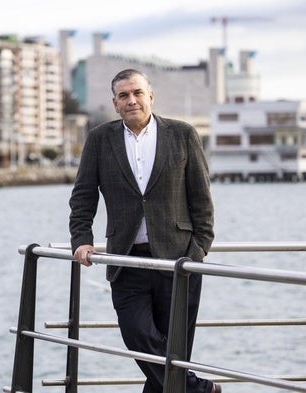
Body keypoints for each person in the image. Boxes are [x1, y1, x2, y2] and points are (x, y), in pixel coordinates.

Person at [69, 69, 218, 393]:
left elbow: (202, 200)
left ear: (151, 96)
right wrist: (81, 240)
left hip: (178, 262)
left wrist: (197, 252)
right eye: (123, 95)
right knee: (139, 338)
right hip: (127, 262)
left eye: (137, 92)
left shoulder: (182, 134)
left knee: (172, 355)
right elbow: (83, 197)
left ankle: (193, 388)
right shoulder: (99, 139)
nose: (131, 100)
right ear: (115, 103)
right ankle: (201, 390)